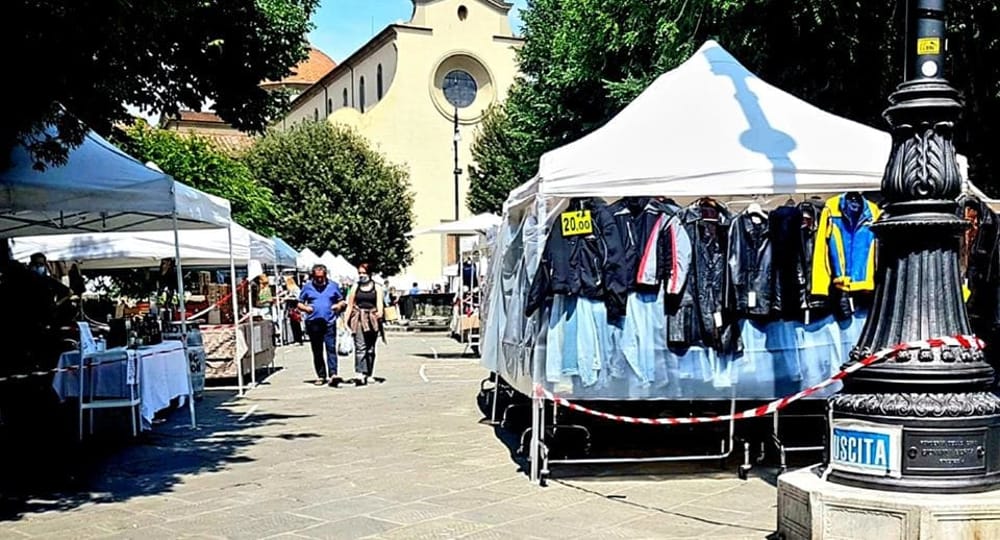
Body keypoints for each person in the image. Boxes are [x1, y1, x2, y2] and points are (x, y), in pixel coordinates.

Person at [297, 264, 347, 386]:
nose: (319, 279)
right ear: (313, 276)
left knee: (331, 348)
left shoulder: (333, 286)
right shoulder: (307, 287)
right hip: (313, 323)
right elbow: (299, 303)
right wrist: (306, 308)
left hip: (329, 322)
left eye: (322, 277)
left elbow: (341, 300)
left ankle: (333, 374)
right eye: (317, 277)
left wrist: (338, 306)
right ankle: (321, 375)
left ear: (325, 275)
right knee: (317, 350)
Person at [344, 263, 384, 385]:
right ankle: (360, 373)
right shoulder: (355, 286)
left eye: (363, 273)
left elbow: (380, 303)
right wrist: (346, 321)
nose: (361, 276)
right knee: (360, 347)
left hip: (372, 319)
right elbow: (350, 305)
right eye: (359, 273)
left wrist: (380, 313)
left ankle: (369, 373)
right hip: (359, 318)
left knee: (370, 349)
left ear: (370, 274)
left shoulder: (377, 287)